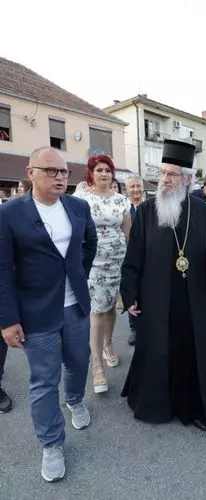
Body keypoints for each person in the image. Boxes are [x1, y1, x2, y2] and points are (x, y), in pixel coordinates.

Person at [0, 147, 97, 482]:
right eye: (51, 171)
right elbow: (1, 270)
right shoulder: (9, 213)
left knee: (80, 361)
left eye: (64, 172)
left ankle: (75, 400)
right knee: (44, 380)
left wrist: (78, 275)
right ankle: (51, 443)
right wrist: (7, 320)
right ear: (31, 173)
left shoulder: (78, 206)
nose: (60, 177)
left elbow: (89, 244)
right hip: (35, 312)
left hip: (75, 306)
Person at [121, 139, 206, 431]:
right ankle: (156, 404)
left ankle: (190, 408)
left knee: (188, 351)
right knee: (157, 350)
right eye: (162, 173)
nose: (164, 179)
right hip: (154, 296)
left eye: (171, 174)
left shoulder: (204, 212)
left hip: (192, 297)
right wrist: (130, 294)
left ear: (187, 179)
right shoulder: (146, 210)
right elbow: (133, 257)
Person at [74, 155, 131, 393]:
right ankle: (97, 366)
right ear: (91, 173)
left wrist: (130, 263)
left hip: (118, 262)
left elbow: (127, 232)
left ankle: (108, 345)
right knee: (97, 311)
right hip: (94, 263)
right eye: (99, 170)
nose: (104, 174)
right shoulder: (81, 198)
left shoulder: (121, 200)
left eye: (108, 170)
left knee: (109, 308)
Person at [125, 174, 144, 346]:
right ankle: (134, 328)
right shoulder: (123, 208)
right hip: (128, 255)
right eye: (132, 186)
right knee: (131, 290)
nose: (136, 189)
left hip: (147, 256)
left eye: (138, 186)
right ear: (127, 189)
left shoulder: (150, 207)